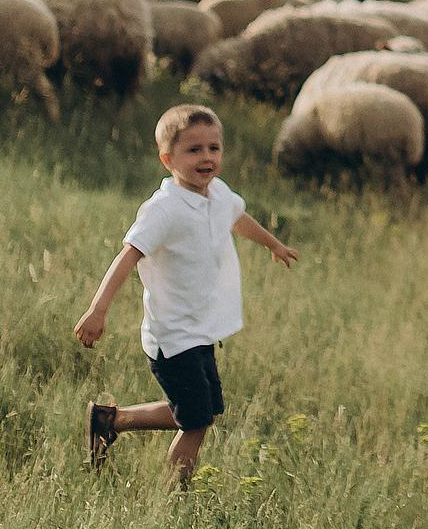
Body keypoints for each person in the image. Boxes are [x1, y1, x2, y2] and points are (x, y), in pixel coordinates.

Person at [74, 102, 297, 483]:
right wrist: (98, 311)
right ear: (167, 159)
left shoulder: (218, 194)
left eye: (214, 148)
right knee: (196, 422)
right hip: (173, 336)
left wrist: (273, 244)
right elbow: (127, 256)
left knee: (202, 409)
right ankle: (173, 497)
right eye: (193, 150)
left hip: (200, 328)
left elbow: (237, 217)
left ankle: (110, 420)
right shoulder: (164, 209)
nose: (206, 157)